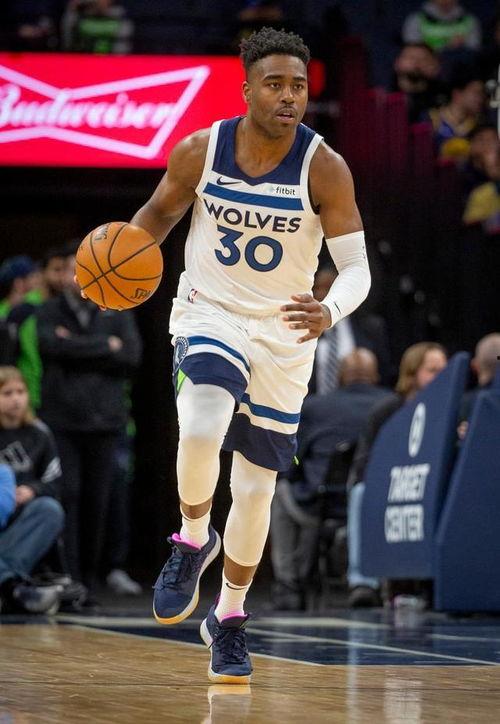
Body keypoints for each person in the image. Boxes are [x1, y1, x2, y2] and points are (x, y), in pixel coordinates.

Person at [78, 26, 371, 683]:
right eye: (275, 84)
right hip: (209, 311)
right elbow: (155, 217)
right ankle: (190, 537)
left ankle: (229, 618)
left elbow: (356, 269)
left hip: (285, 332)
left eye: (298, 86)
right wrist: (115, 275)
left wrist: (330, 310)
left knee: (255, 489)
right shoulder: (200, 151)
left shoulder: (324, 166)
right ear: (246, 91)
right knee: (203, 419)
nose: (288, 96)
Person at [37, 256, 142, 596]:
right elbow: (49, 346)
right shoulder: (49, 310)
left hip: (105, 421)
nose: (79, 277)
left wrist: (73, 346)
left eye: (86, 271)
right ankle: (69, 575)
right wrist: (105, 346)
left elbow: (131, 356)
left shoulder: (118, 309)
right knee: (68, 494)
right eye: (74, 270)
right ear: (63, 276)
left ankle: (92, 578)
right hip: (62, 420)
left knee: (101, 499)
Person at [270, 348, 391, 611]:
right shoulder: (390, 404)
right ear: (376, 375)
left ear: (339, 376)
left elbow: (293, 457)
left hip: (321, 504)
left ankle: (289, 584)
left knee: (280, 490)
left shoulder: (314, 407)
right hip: (379, 505)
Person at [346, 342, 447, 608]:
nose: (440, 377)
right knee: (360, 493)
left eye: (444, 371)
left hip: (429, 486)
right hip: (388, 486)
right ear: (412, 374)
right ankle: (362, 582)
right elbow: (363, 464)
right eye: (432, 371)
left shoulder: (449, 410)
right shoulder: (386, 411)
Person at [0, 367, 64, 614]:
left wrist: (32, 490)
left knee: (50, 509)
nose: (15, 399)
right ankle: (12, 587)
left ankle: (7, 581)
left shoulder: (40, 433)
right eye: (7, 393)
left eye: (20, 392)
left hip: (21, 524)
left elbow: (55, 481)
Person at [309, 266, 393, 391]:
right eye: (317, 288)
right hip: (313, 402)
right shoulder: (301, 327)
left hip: (361, 400)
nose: (322, 293)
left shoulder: (370, 327)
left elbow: (385, 372)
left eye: (329, 288)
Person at [402, 1, 481, 54]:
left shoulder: (470, 20)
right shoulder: (416, 19)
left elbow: (474, 50)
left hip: (461, 66)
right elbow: (413, 51)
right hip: (428, 66)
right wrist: (447, 48)